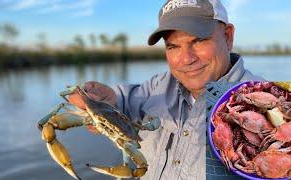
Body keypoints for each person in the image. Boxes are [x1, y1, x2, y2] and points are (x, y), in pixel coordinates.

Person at [69, 0, 263, 179]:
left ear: (228, 37)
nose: (186, 59)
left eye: (198, 41)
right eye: (173, 47)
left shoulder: (268, 103)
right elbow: (124, 101)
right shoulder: (158, 86)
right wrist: (107, 99)